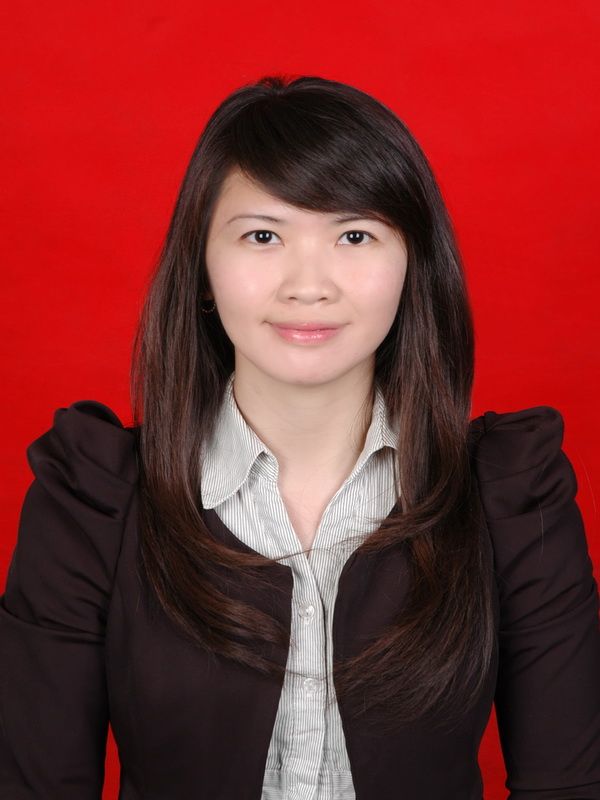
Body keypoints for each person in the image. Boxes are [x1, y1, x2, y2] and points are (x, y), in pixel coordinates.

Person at [1, 74, 599, 800]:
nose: (308, 285)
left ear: (412, 265)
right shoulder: (94, 499)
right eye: (263, 236)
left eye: (354, 235)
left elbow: (568, 785)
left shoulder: (512, 496)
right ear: (203, 268)